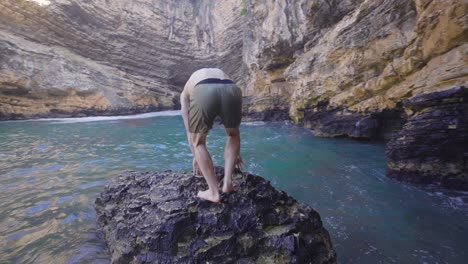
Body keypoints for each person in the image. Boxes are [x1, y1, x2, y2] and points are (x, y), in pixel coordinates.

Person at [180, 68, 244, 203]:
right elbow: (235, 134)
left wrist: (196, 155)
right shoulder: (217, 72)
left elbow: (190, 132)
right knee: (232, 135)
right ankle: (227, 183)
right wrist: (236, 154)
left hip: (204, 89)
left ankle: (213, 192)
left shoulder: (185, 92)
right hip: (231, 88)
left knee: (199, 142)